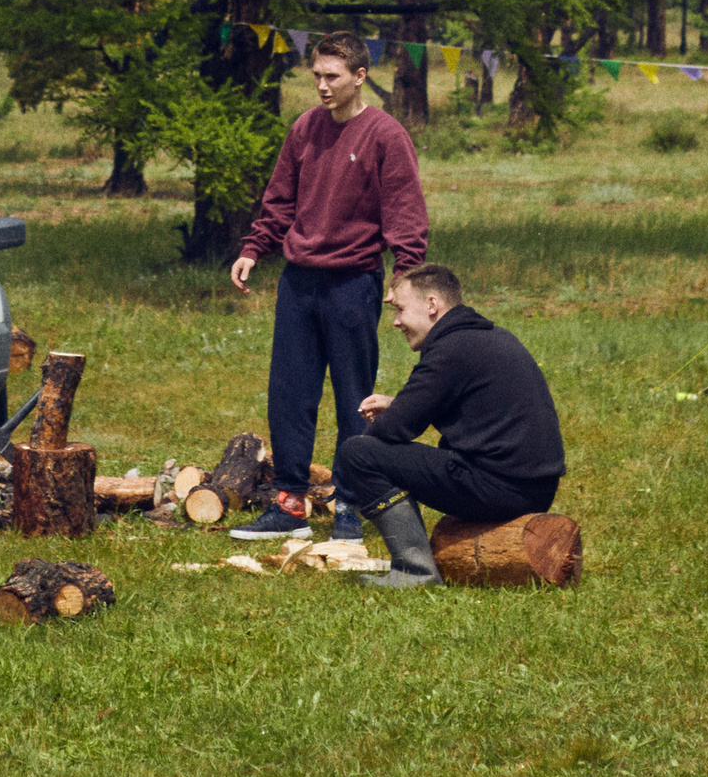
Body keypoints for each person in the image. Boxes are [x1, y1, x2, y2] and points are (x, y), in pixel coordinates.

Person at [229, 29, 429, 540]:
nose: (321, 85)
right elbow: (279, 200)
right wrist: (253, 248)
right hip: (299, 282)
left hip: (353, 283)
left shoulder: (385, 135)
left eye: (332, 76)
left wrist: (404, 277)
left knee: (353, 399)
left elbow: (405, 214)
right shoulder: (305, 128)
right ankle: (289, 506)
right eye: (316, 75)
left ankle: (349, 506)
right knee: (290, 394)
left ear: (359, 76)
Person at [335, 261, 567, 588]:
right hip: (534, 489)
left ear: (432, 304)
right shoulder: (485, 337)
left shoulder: (450, 349)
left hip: (503, 491)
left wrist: (387, 423)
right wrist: (399, 405)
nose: (397, 321)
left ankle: (415, 572)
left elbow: (391, 430)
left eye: (400, 309)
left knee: (358, 453)